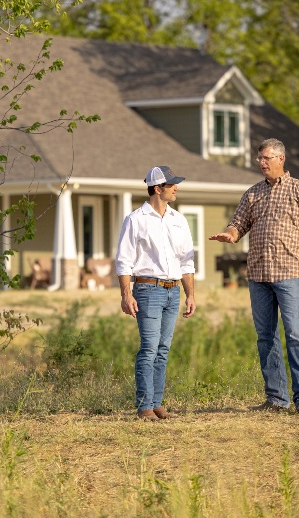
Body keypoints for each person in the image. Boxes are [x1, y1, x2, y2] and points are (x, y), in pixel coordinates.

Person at [209, 139, 299, 414]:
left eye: (266, 158)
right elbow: (238, 223)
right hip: (258, 275)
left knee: (294, 334)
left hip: (288, 274)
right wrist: (231, 234)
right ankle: (276, 398)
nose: (262, 163)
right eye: (260, 158)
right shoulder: (253, 193)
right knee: (265, 336)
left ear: (281, 159)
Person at [116, 165, 196, 421]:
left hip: (173, 291)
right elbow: (124, 261)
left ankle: (157, 403)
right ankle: (144, 406)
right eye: (172, 184)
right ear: (157, 188)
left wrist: (190, 295)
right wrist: (126, 295)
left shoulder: (178, 220)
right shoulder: (135, 219)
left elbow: (187, 262)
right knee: (149, 348)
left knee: (163, 349)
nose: (176, 188)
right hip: (148, 289)